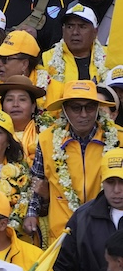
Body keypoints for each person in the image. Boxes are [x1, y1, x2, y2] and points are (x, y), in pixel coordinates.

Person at [25, 81, 119, 244]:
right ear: (65, 110)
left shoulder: (118, 138)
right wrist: (31, 213)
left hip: (107, 231)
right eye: (76, 108)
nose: (84, 114)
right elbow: (37, 179)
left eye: (90, 107)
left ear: (98, 108)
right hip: (62, 233)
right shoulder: (47, 139)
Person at [42, 3, 109, 102]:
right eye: (70, 27)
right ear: (63, 30)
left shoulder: (109, 57)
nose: (75, 32)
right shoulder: (46, 59)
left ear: (95, 32)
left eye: (82, 27)